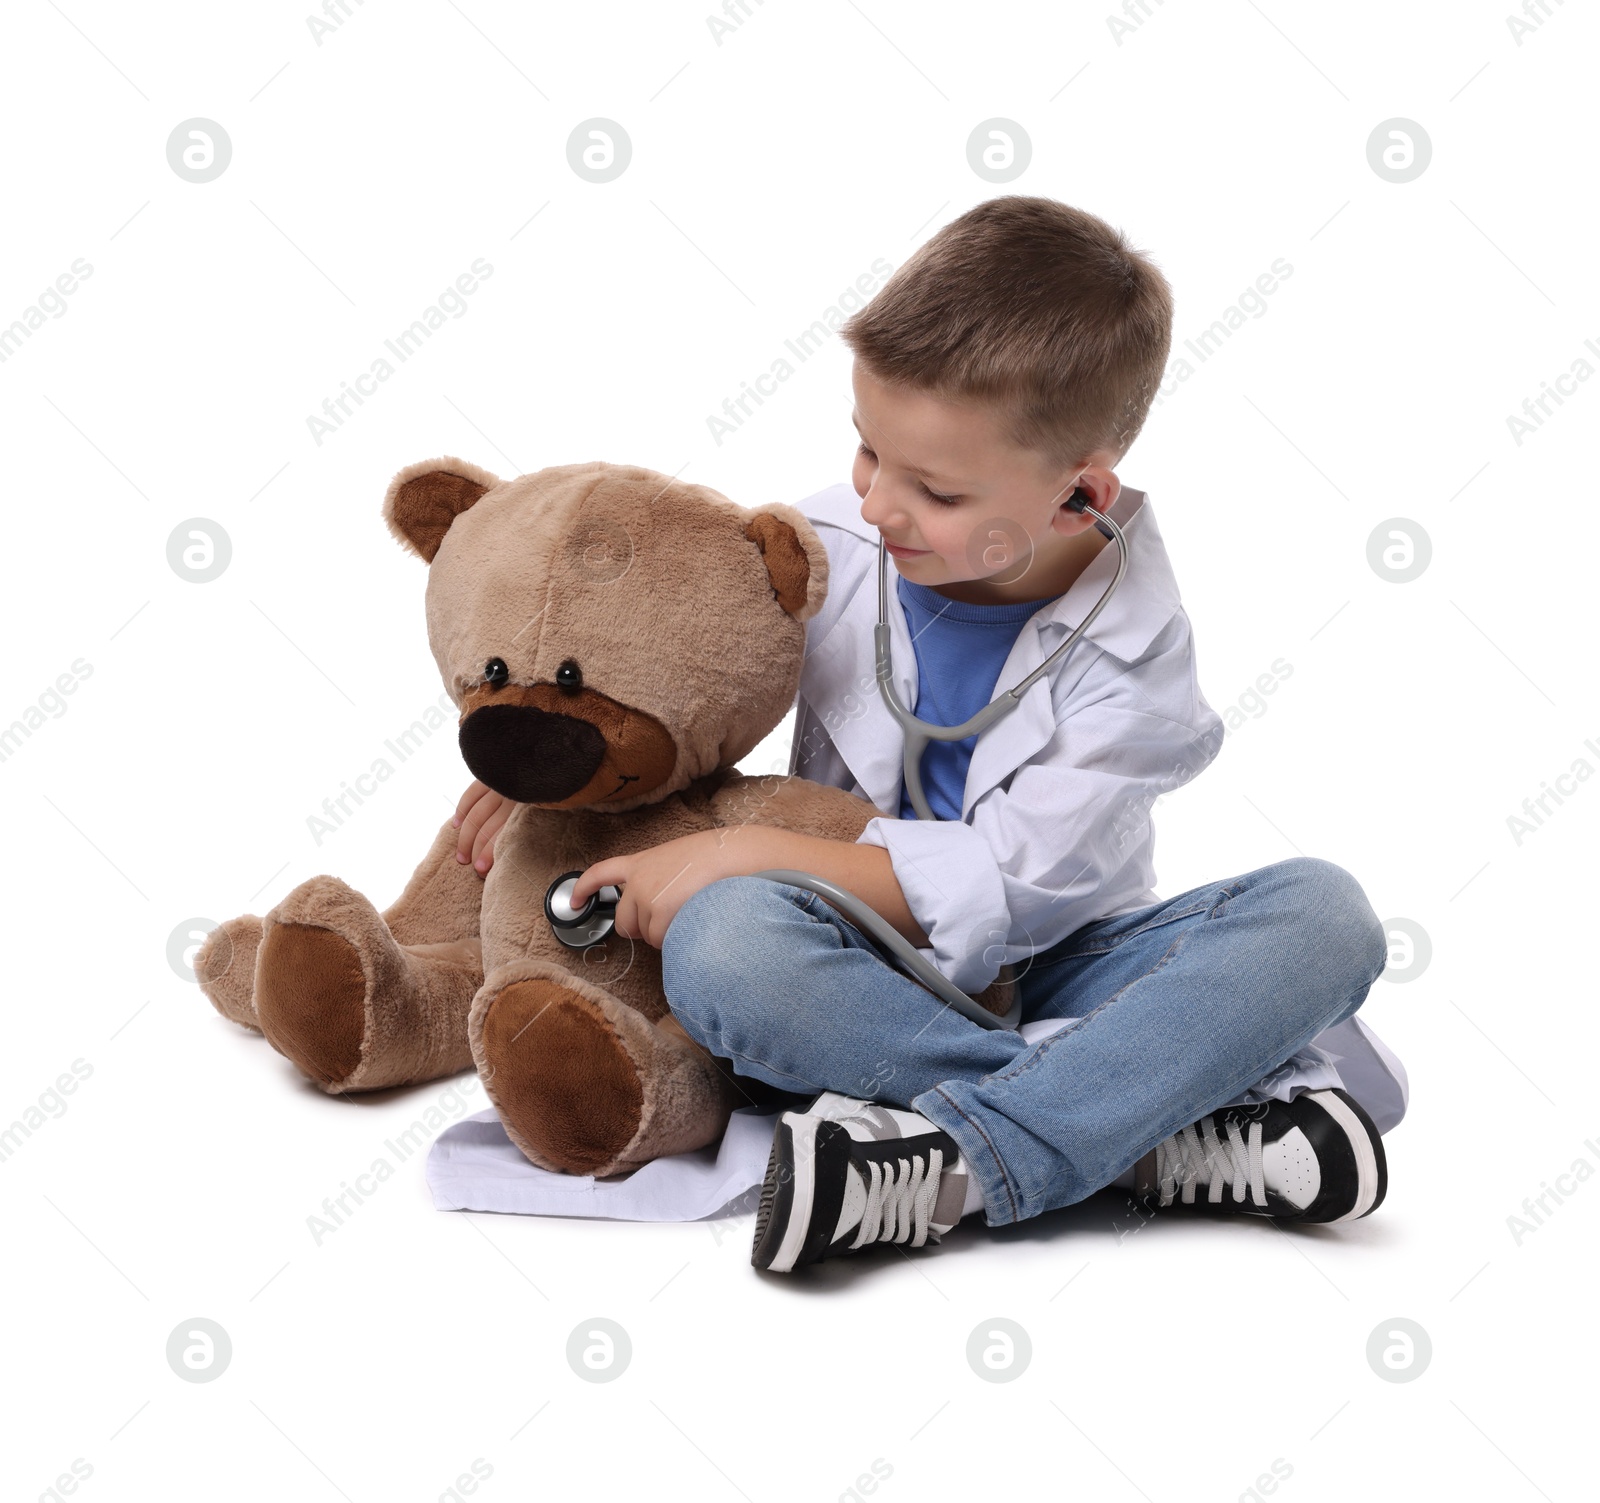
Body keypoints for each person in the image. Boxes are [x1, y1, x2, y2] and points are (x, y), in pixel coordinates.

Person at [454, 196, 1395, 1275]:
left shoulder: (1143, 660)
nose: (879, 506)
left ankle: (957, 1158)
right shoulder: (825, 545)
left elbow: (1023, 881)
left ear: (1078, 496)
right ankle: (1139, 1134)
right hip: (844, 966)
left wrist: (746, 851)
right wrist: (562, 764)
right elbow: (675, 670)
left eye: (935, 490)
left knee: (1325, 914)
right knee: (725, 948)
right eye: (866, 452)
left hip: (1059, 963)